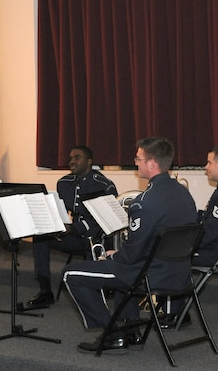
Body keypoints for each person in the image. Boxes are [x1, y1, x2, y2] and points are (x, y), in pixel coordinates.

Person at [63, 137, 196, 354]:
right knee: (123, 264)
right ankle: (130, 329)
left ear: (152, 163)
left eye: (138, 158)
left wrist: (113, 256)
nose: (136, 162)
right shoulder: (183, 194)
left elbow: (132, 256)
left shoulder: (145, 202)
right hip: (179, 273)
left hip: (149, 276)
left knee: (71, 274)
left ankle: (112, 334)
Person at [159, 145, 218, 328]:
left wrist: (184, 244)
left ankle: (174, 314)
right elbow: (209, 220)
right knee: (171, 252)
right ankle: (174, 311)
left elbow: (211, 232)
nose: (206, 167)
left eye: (209, 162)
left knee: (170, 257)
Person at [24, 145, 117, 308]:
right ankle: (45, 291)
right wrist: (54, 225)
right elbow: (61, 211)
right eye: (70, 158)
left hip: (97, 237)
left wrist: (74, 228)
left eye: (77, 157)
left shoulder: (104, 185)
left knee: (93, 243)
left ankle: (93, 295)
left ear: (89, 162)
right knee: (40, 238)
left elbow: (105, 220)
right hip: (74, 236)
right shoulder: (64, 183)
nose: (72, 161)